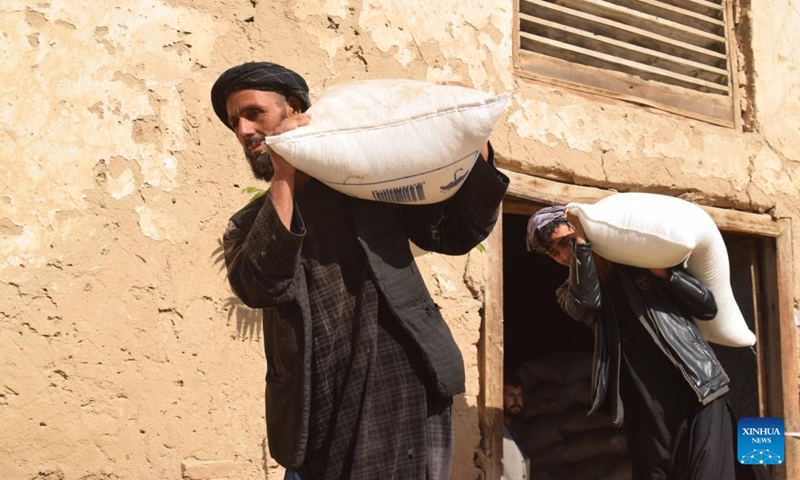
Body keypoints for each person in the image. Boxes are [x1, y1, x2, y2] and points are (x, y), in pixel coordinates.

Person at [211, 62, 509, 480]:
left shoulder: (367, 186)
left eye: (253, 114)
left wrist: (473, 138)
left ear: (293, 108)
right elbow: (262, 286)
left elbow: (455, 233)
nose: (243, 131)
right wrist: (284, 175)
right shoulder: (247, 225)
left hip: (403, 388)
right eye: (234, 123)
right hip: (316, 412)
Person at [525, 205, 765, 480]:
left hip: (696, 391)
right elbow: (587, 302)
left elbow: (708, 307)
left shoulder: (642, 263)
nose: (563, 255)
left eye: (565, 243)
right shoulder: (568, 294)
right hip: (646, 406)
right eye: (554, 253)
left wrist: (668, 275)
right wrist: (579, 243)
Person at [502, 375, 529, 480]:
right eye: (511, 395)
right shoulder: (495, 432)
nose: (517, 401)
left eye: (519, 395)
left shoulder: (512, 431)